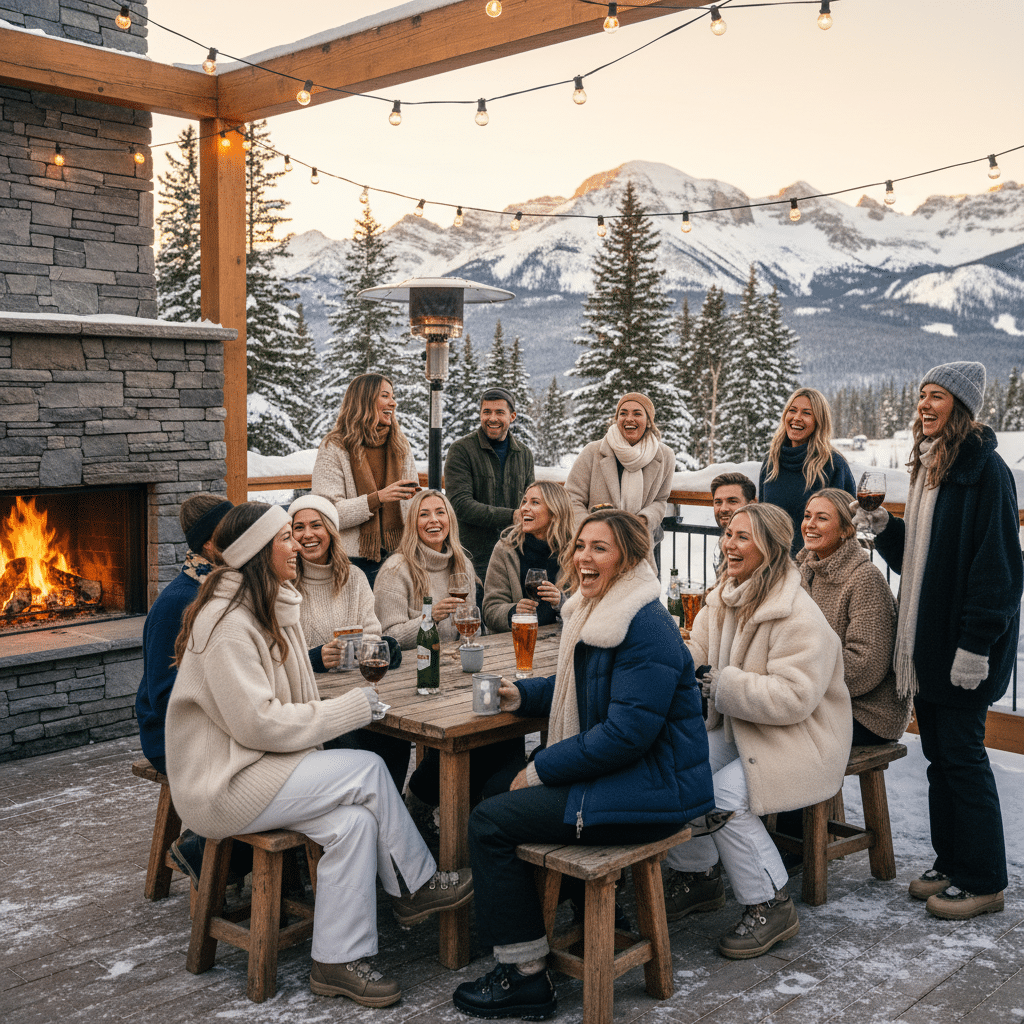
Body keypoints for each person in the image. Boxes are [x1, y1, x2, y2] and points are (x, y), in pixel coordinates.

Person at [165, 502, 473, 1006]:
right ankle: (415, 885)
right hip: (225, 781)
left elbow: (289, 708)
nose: (297, 545)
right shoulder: (228, 624)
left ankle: (336, 960)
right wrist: (350, 710)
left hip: (262, 767)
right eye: (286, 536)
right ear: (260, 553)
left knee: (354, 824)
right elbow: (258, 722)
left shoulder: (270, 606)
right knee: (370, 768)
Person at [453, 509, 714, 1019]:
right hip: (626, 777)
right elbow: (584, 689)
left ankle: (526, 975)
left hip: (653, 789)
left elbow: (626, 735)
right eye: (580, 546)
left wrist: (542, 767)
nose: (583, 558)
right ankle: (555, 914)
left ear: (631, 558)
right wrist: (521, 696)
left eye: (600, 548)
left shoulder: (644, 625)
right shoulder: (598, 610)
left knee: (488, 822)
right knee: (491, 789)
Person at [856, 361, 1022, 921]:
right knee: (939, 758)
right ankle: (952, 860)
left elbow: (995, 569)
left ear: (963, 408)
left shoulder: (987, 472)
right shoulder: (932, 470)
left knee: (963, 757)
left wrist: (977, 644)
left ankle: (984, 880)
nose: (925, 405)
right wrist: (886, 530)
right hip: (926, 646)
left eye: (938, 397)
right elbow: (921, 565)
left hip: (961, 651)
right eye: (922, 396)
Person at [662, 503, 851, 959]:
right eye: (728, 534)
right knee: (673, 768)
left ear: (769, 548)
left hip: (802, 739)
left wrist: (720, 683)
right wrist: (668, 652)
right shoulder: (722, 597)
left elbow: (794, 697)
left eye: (741, 537)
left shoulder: (797, 614)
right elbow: (699, 653)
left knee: (725, 797)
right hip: (742, 731)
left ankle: (772, 902)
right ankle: (700, 877)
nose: (728, 544)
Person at [375, 490, 519, 814]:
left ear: (450, 520)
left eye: (440, 512)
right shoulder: (396, 570)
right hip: (412, 683)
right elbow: (387, 639)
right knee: (475, 727)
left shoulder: (461, 563)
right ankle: (423, 797)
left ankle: (487, 808)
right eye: (424, 514)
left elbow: (469, 625)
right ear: (413, 523)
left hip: (454, 677)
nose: (433, 520)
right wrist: (430, 617)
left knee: (502, 720)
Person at [135, 492, 235, 884]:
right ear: (210, 545)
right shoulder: (176, 603)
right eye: (231, 532)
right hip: (171, 733)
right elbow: (163, 694)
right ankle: (210, 849)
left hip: (216, 718)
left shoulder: (226, 588)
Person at [288, 494, 410, 792]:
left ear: (331, 530)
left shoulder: (354, 577)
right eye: (298, 527)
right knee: (355, 740)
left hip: (352, 691)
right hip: (306, 701)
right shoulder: (283, 581)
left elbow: (371, 632)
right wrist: (314, 658)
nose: (307, 534)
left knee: (394, 736)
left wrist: (381, 648)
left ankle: (385, 812)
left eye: (316, 525)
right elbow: (274, 653)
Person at [797, 489, 911, 745]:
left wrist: (797, 671)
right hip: (817, 695)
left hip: (869, 713)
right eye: (807, 516)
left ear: (846, 530)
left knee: (772, 731)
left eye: (822, 518)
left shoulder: (864, 579)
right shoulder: (804, 571)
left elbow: (865, 668)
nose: (810, 524)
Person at [312, 373, 420, 587]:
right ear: (364, 400)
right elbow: (327, 513)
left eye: (393, 396)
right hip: (352, 561)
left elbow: (412, 503)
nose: (393, 402)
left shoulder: (399, 444)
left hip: (398, 556)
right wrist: (377, 498)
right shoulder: (335, 446)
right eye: (385, 395)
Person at [564, 392, 675, 572]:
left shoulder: (665, 455)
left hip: (636, 543)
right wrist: (592, 532)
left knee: (638, 596)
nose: (629, 419)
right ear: (616, 419)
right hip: (596, 548)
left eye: (637, 413)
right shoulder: (593, 451)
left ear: (648, 421)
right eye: (623, 413)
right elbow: (571, 498)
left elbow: (661, 500)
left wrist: (642, 520)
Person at [444, 387, 536, 583]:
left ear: (512, 416)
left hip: (515, 552)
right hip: (473, 556)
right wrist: (511, 515)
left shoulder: (524, 454)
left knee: (513, 609)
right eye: (487, 412)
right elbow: (460, 505)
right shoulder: (461, 450)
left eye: (499, 412)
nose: (492, 418)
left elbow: (532, 501)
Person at [758, 387, 855, 555]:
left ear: (819, 421)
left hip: (816, 567)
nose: (796, 418)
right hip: (774, 565)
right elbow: (761, 515)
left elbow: (847, 524)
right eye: (792, 410)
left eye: (806, 413)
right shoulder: (771, 460)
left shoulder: (833, 465)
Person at [482, 481, 573, 633]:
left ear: (554, 511)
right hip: (513, 643)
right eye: (524, 501)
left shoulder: (574, 553)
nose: (524, 508)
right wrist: (513, 611)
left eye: (535, 502)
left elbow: (587, 608)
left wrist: (561, 602)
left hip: (557, 642)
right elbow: (490, 610)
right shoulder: (506, 549)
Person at [710, 471, 757, 575]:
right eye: (718, 502)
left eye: (732, 501)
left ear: (752, 505)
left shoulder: (759, 545)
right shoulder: (724, 541)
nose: (723, 509)